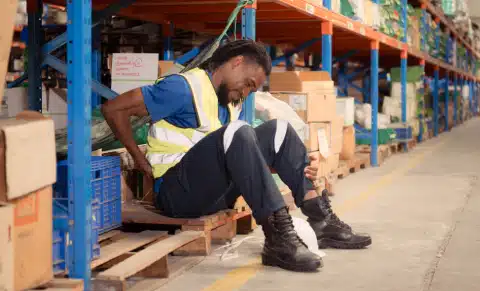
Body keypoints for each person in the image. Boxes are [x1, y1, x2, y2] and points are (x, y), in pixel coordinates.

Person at [102, 39, 371, 273]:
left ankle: (320, 219)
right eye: (248, 84)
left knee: (280, 130)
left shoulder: (228, 101)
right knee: (240, 132)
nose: (246, 93)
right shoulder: (182, 88)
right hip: (177, 195)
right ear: (236, 62)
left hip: (214, 194)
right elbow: (113, 109)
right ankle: (279, 238)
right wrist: (139, 159)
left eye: (252, 90)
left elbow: (239, 158)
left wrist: (290, 167)